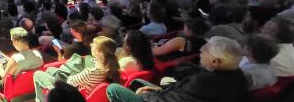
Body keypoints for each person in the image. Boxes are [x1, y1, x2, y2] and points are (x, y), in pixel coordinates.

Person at [104, 36, 250, 102]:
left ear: (214, 61)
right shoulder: (239, 76)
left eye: (204, 50)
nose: (200, 51)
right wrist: (157, 90)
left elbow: (163, 100)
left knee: (113, 89)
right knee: (137, 83)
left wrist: (146, 96)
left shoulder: (203, 82)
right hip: (168, 95)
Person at [35, 36, 120, 94]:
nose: (91, 45)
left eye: (94, 45)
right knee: (49, 69)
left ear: (99, 52)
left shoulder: (90, 72)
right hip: (80, 86)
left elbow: (69, 81)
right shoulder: (110, 66)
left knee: (38, 74)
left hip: (70, 92)